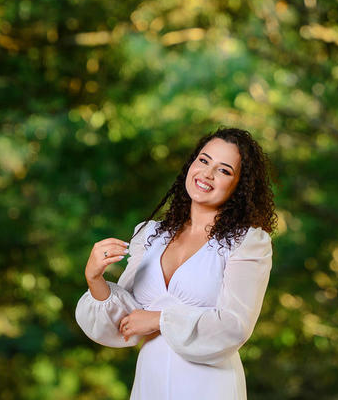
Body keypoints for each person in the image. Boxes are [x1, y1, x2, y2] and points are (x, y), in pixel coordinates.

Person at [75, 126, 276, 399]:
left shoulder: (247, 242)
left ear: (240, 186)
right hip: (151, 382)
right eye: (204, 160)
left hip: (209, 385)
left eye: (224, 170)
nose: (207, 173)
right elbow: (126, 323)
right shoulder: (150, 235)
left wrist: (160, 320)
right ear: (191, 164)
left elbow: (234, 326)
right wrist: (95, 278)